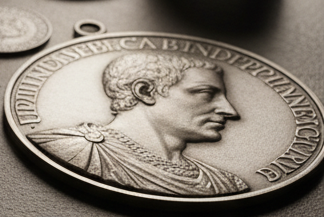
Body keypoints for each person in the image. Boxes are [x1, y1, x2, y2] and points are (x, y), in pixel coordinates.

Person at [29, 52, 249, 196]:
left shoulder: (225, 184)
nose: (230, 111)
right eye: (206, 93)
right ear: (145, 91)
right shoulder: (74, 150)